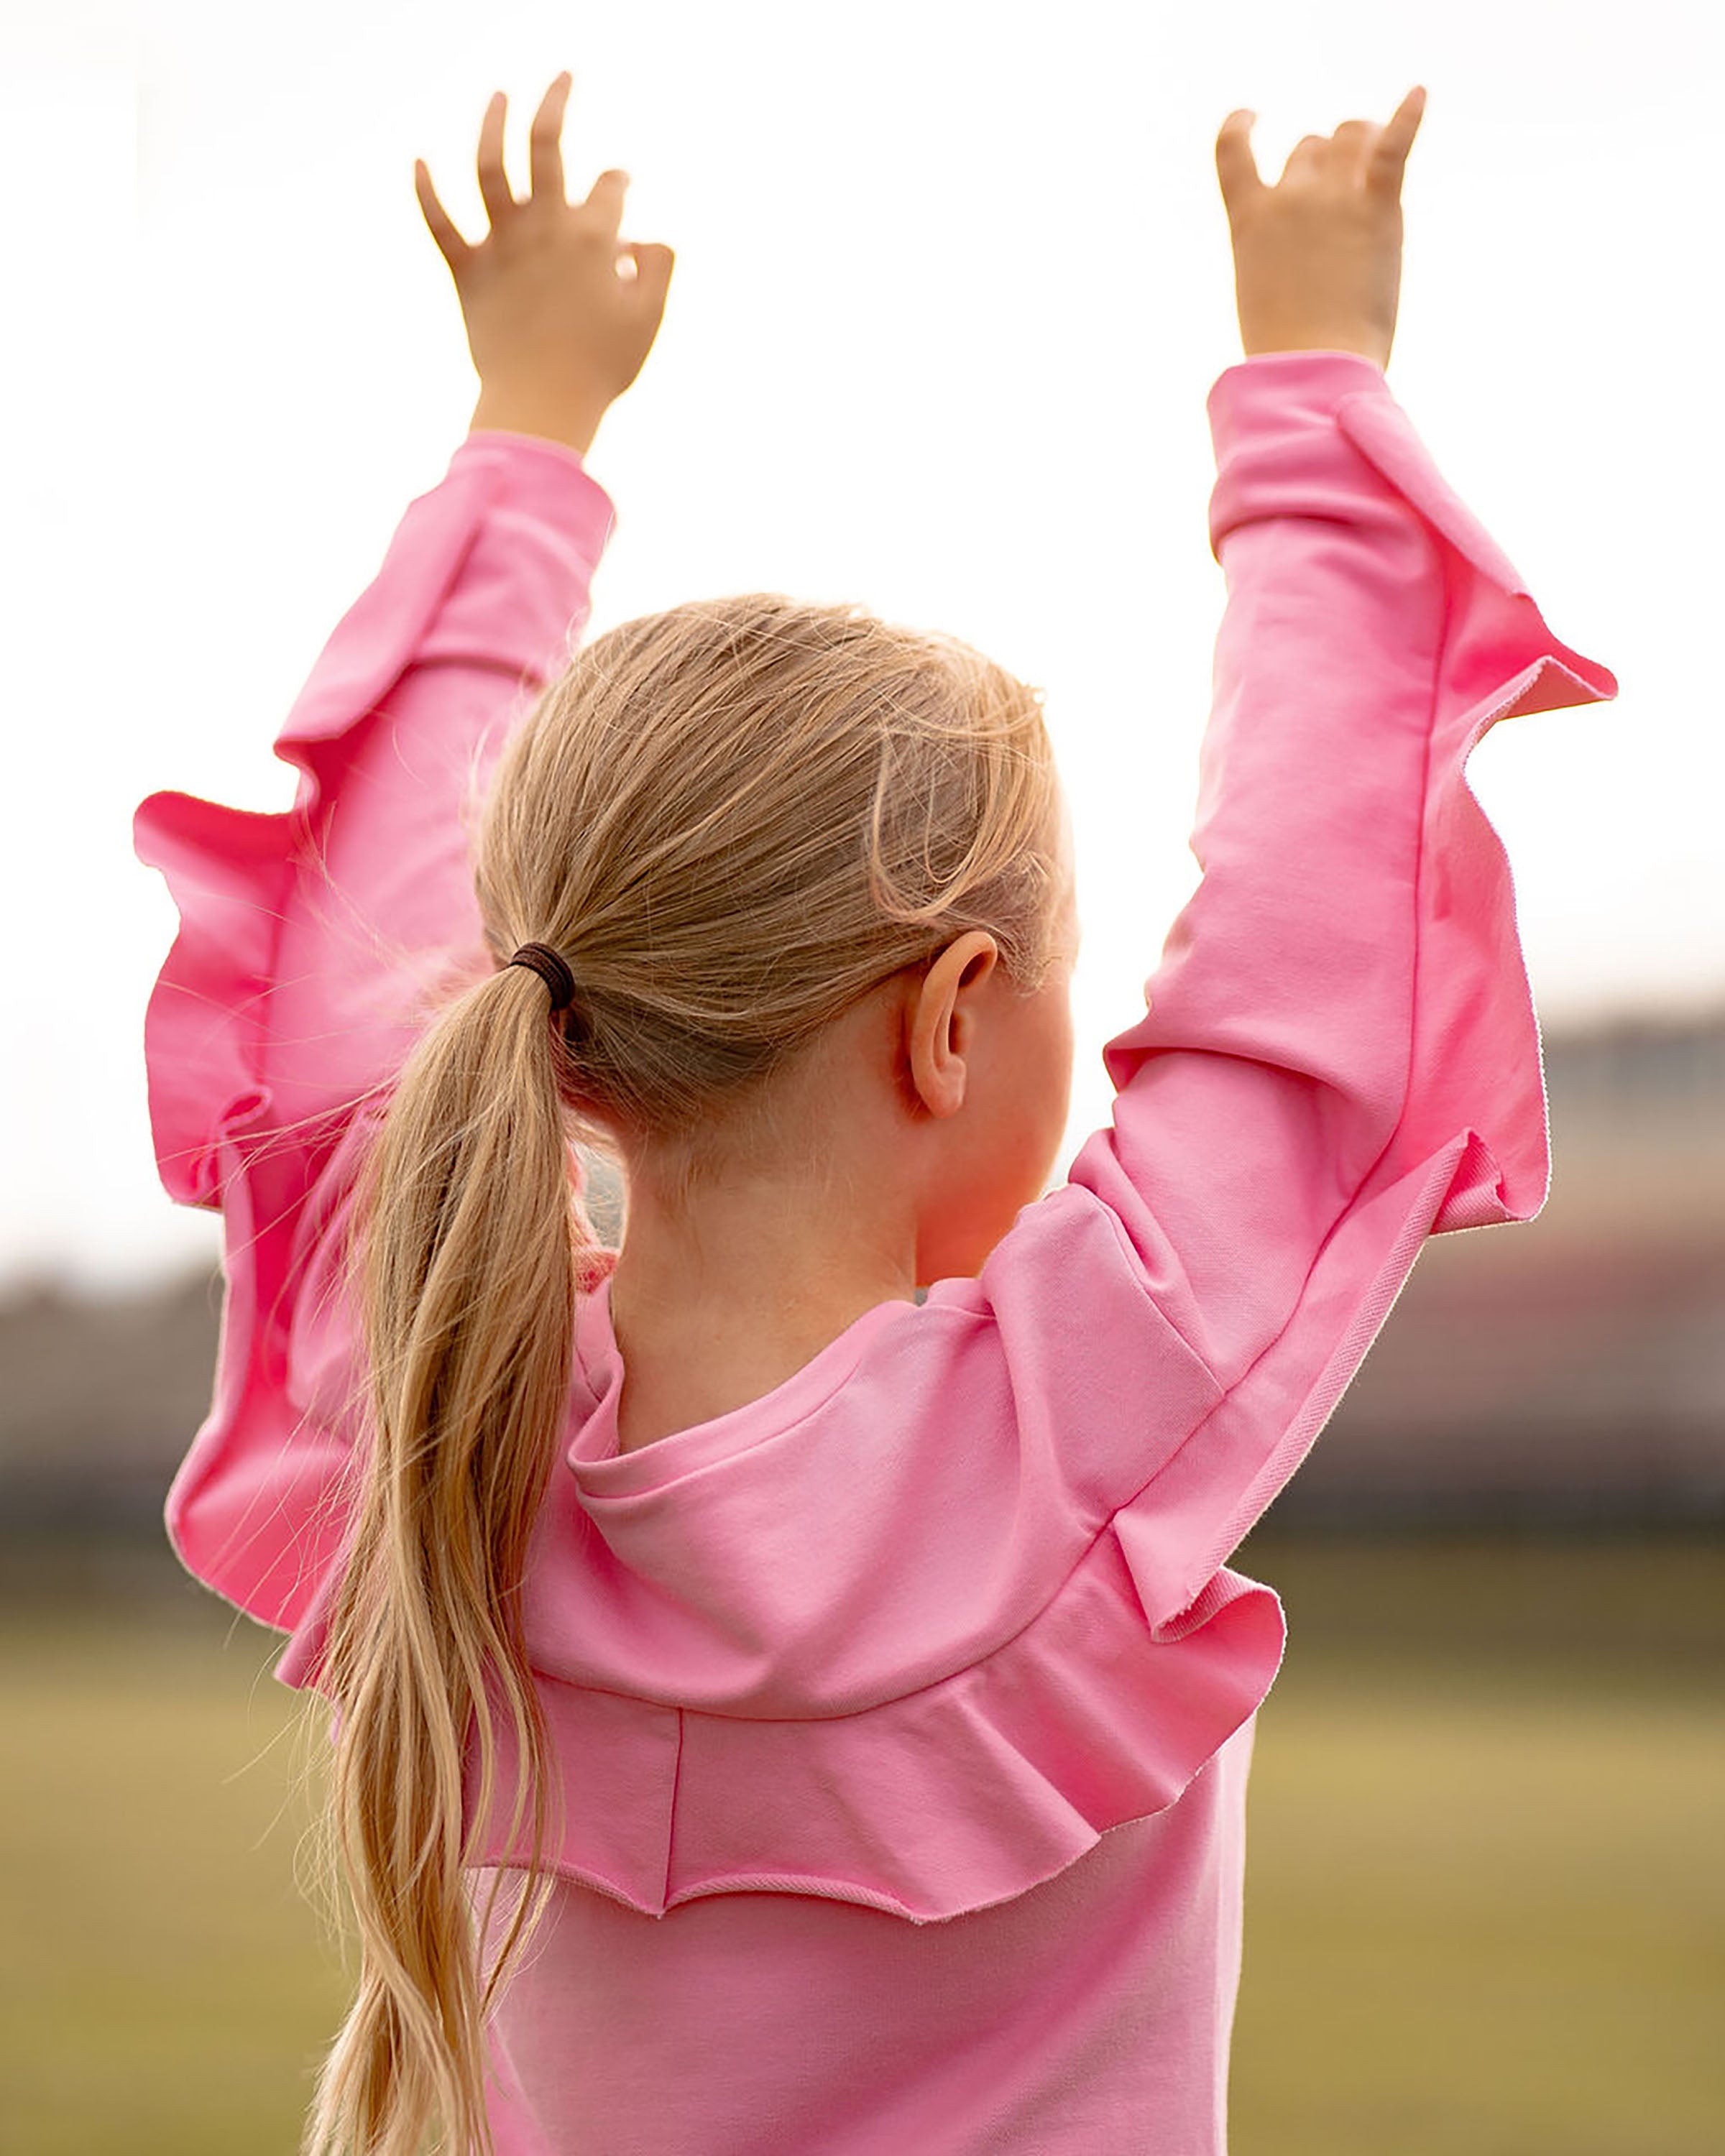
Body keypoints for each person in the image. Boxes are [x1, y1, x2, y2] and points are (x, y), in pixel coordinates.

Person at [133, 69, 1618, 2156]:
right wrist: (1311, 385)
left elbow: (366, 959)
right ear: (952, 1017)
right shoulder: (1074, 1414)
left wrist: (522, 444)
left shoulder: (439, 1412)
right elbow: (1307, 962)